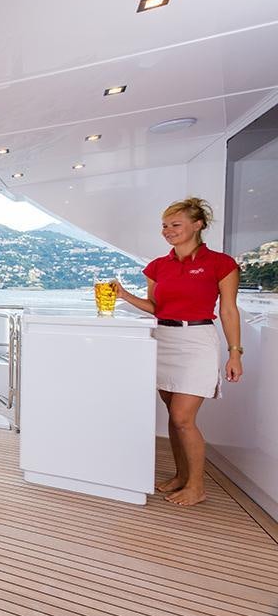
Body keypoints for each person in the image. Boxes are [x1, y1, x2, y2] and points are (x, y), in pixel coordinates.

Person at [111, 197, 243, 507]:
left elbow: (228, 311)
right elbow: (156, 308)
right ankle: (182, 476)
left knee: (184, 418)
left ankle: (197, 485)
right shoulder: (157, 266)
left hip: (197, 340)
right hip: (164, 338)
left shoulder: (221, 263)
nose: (168, 231)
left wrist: (235, 352)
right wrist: (124, 295)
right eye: (165, 226)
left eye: (175, 225)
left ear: (198, 225)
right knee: (173, 417)